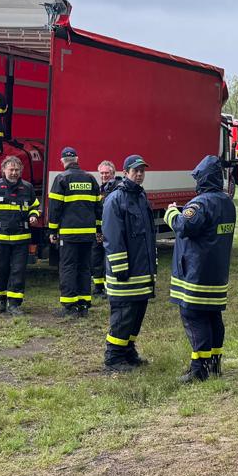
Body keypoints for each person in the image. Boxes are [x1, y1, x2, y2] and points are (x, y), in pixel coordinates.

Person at [165, 154, 236, 381]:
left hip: (196, 273)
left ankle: (199, 369)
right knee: (213, 317)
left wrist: (171, 212)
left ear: (204, 179)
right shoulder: (227, 202)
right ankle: (214, 365)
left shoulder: (200, 204)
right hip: (216, 273)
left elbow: (184, 226)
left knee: (194, 316)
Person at [101, 153, 156, 371]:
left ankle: (128, 350)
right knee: (123, 316)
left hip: (142, 272)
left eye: (142, 170)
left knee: (136, 314)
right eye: (136, 170)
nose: (140, 174)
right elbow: (113, 238)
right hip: (125, 274)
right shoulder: (116, 199)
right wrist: (120, 268)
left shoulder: (141, 197)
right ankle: (113, 357)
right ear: (125, 173)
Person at [0, 153, 41, 315]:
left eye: (17, 170)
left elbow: (34, 206)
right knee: (1, 270)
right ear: (3, 170)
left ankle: (15, 304)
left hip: (21, 239)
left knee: (18, 271)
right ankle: (0, 301)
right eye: (11, 169)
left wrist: (34, 215)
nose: (14, 173)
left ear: (21, 171)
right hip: (0, 238)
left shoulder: (27, 188)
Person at [47, 146, 102, 317]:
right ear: (77, 159)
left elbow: (55, 208)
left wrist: (52, 230)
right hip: (88, 233)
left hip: (69, 233)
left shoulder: (61, 178)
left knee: (68, 267)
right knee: (85, 267)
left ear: (62, 161)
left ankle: (69, 305)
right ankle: (84, 304)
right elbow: (98, 207)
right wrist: (98, 229)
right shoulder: (91, 179)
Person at [91, 159, 119, 302]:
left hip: (112, 233)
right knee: (96, 259)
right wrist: (98, 231)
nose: (104, 176)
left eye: (107, 173)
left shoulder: (117, 189)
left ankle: (110, 288)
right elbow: (96, 212)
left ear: (113, 173)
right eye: (101, 173)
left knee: (110, 260)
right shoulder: (99, 190)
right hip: (100, 232)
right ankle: (98, 288)